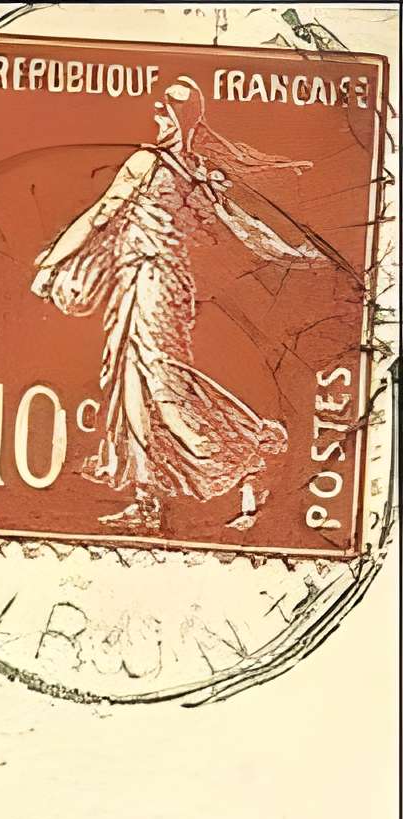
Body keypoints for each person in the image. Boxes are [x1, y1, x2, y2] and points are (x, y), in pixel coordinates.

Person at [29, 79, 330, 532]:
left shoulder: (150, 163)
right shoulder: (195, 171)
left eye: (163, 110)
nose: (155, 115)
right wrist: (292, 253)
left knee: (161, 386)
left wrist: (53, 262)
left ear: (177, 117)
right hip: (151, 284)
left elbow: (99, 214)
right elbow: (246, 228)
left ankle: (248, 456)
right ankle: (148, 498)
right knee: (134, 384)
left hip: (152, 283)